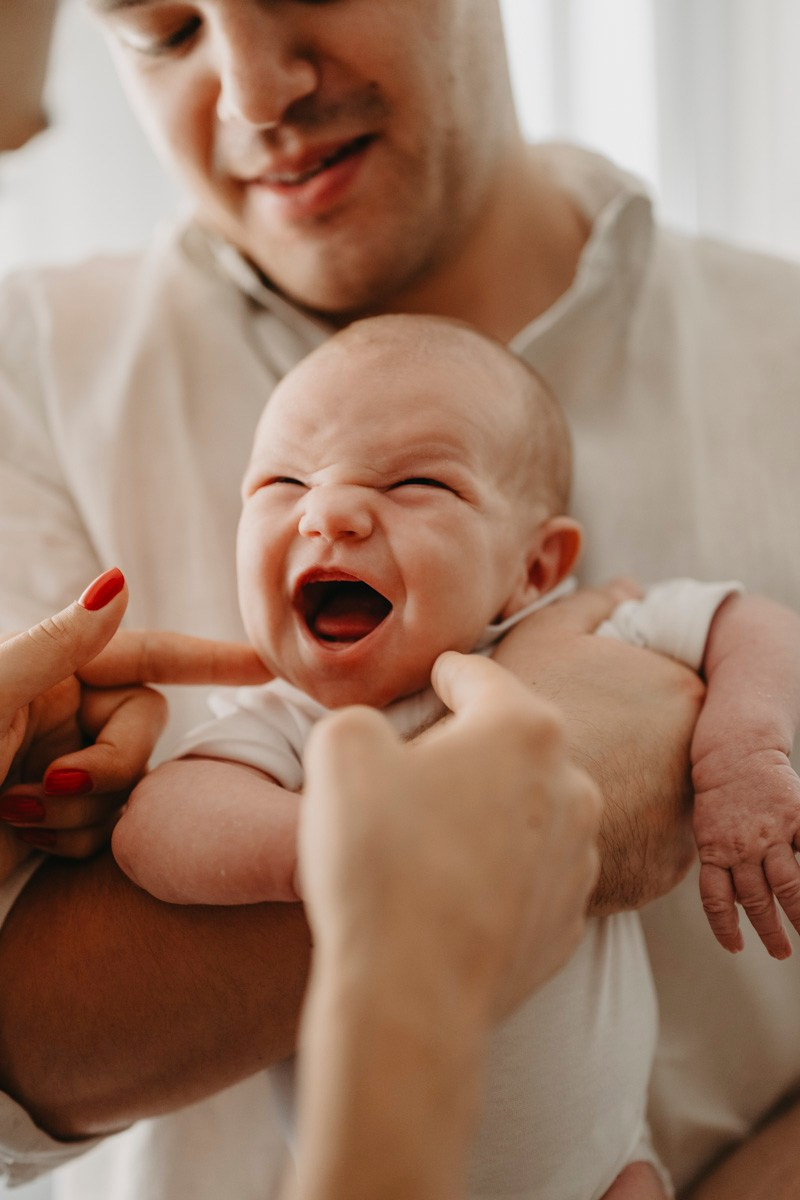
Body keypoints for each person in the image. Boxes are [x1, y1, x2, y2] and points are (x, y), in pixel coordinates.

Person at [0, 1, 798, 1197]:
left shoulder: (774, 342)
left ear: (539, 567)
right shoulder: (34, 376)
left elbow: (749, 632)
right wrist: (405, 835)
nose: (254, 95)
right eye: (164, 32)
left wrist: (730, 753)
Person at [0, 577, 605, 1200]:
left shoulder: (566, 633)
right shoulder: (294, 707)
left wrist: (719, 767)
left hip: (618, 1166)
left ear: (534, 566)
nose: (330, 513)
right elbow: (153, 827)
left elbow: (710, 623)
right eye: (286, 485)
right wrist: (329, 852)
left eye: (417, 486)